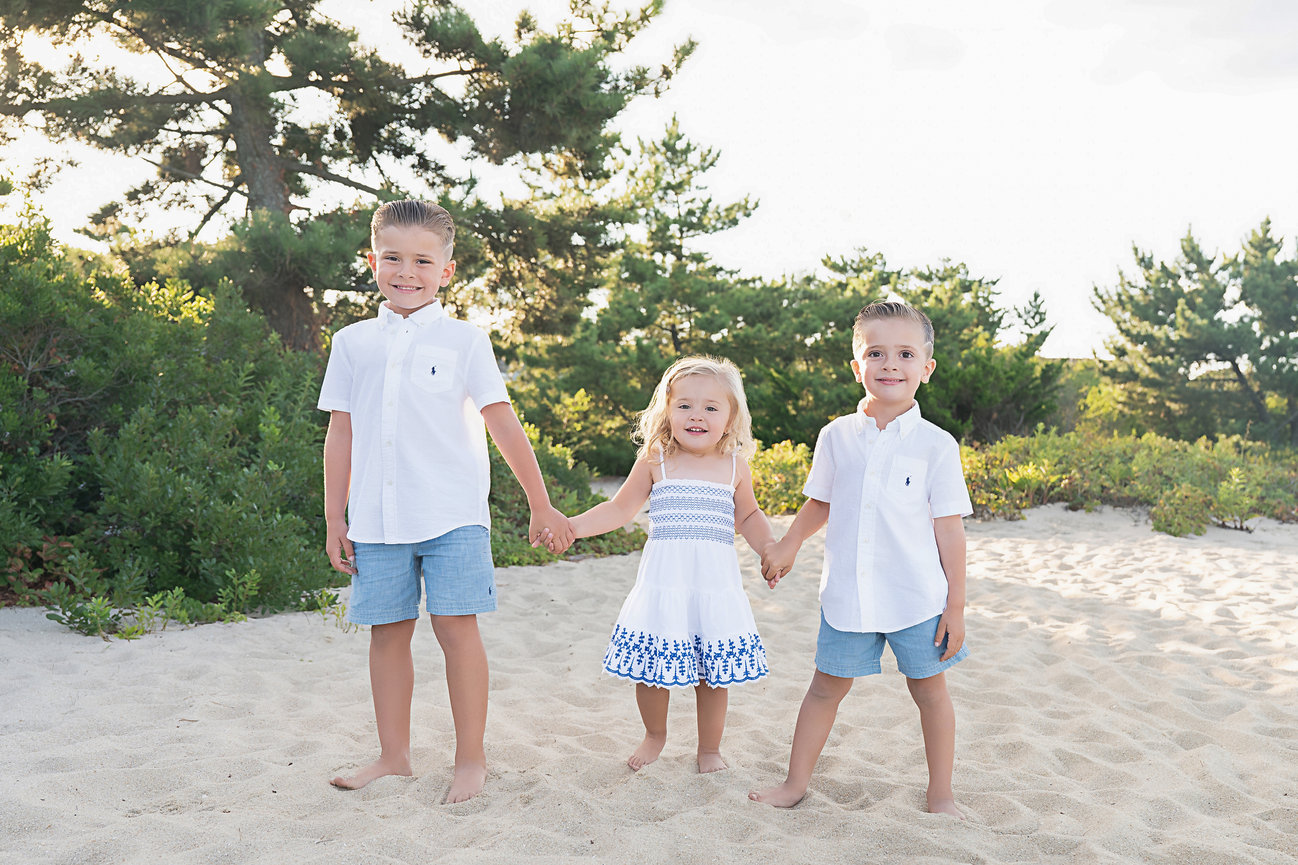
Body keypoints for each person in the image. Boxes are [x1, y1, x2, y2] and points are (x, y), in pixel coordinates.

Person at [318, 199, 573, 802]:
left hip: (453, 516)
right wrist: (335, 518)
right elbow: (341, 432)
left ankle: (471, 759)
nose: (406, 271)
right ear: (372, 260)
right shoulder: (351, 343)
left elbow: (502, 422)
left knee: (457, 630)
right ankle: (393, 755)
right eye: (393, 258)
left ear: (446, 271)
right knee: (387, 634)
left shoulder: (466, 341)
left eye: (422, 261)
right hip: (377, 519)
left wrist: (541, 503)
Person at [749, 301, 971, 818]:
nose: (890, 364)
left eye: (905, 353)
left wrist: (955, 606)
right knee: (825, 688)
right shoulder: (835, 436)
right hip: (848, 594)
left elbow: (950, 530)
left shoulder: (938, 446)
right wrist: (787, 544)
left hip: (917, 598)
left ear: (926, 368)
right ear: (857, 365)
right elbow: (822, 501)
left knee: (930, 693)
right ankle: (794, 783)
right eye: (876, 352)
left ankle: (941, 795)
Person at [565, 356, 777, 773]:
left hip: (713, 589)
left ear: (731, 418)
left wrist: (769, 547)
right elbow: (619, 508)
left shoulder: (734, 466)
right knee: (652, 671)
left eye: (711, 408)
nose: (697, 415)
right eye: (685, 405)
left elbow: (749, 517)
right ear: (667, 410)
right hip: (665, 585)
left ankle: (709, 748)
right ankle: (654, 735)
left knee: (711, 675)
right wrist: (572, 527)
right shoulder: (656, 459)